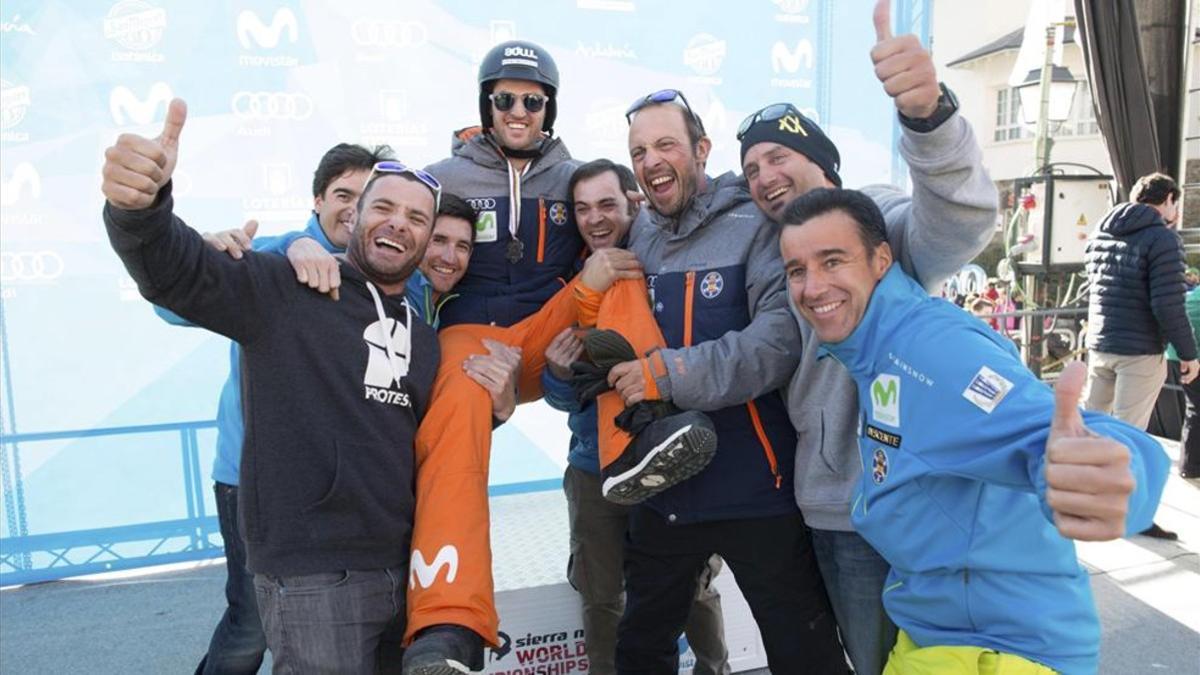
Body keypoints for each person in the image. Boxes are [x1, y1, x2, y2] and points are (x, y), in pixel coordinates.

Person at [102, 99, 440, 673]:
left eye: (416, 217)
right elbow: (177, 273)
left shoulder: (421, 329)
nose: (396, 223)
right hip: (310, 566)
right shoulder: (283, 282)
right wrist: (141, 211)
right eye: (379, 206)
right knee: (245, 633)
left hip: (398, 563)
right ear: (349, 217)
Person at [779, 187, 1169, 675]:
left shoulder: (930, 351)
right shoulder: (876, 347)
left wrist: (1112, 475)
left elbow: (1045, 433)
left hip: (997, 650)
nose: (812, 287)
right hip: (947, 636)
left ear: (881, 260)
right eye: (797, 270)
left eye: (832, 261)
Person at [735, 2, 998, 671]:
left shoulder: (875, 213)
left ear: (820, 158)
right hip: (829, 508)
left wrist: (929, 118)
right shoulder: (771, 251)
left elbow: (959, 220)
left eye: (777, 156)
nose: (764, 176)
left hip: (910, 502)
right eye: (751, 169)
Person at [575, 90, 844, 674]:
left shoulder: (756, 225)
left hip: (757, 490)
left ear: (701, 149)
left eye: (666, 144)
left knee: (807, 655)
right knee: (640, 654)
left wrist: (663, 375)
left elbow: (776, 344)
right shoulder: (637, 236)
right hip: (665, 494)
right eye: (639, 151)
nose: (650, 161)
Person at [151, 142, 390, 675]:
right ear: (317, 199)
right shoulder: (275, 254)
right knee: (251, 624)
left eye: (366, 196)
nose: (354, 208)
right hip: (251, 479)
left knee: (333, 614)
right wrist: (220, 250)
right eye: (342, 193)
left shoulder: (393, 271)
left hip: (338, 484)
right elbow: (173, 305)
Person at [401, 40, 595, 672]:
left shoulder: (575, 178)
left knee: (617, 270)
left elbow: (636, 224)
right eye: (504, 98)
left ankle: (648, 442)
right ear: (485, 104)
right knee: (457, 402)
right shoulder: (443, 176)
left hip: (549, 329)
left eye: (532, 101)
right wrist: (298, 243)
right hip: (476, 341)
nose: (519, 110)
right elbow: (371, 229)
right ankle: (449, 625)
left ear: (550, 109)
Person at [541, 159, 729, 675]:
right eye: (581, 209)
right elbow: (563, 400)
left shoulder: (668, 270)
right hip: (592, 468)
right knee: (602, 597)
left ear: (634, 202)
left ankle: (715, 668)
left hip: (666, 460)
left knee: (691, 588)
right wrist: (557, 374)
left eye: (606, 204)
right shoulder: (573, 284)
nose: (594, 219)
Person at [1083, 171, 1196, 540]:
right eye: (1175, 203)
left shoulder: (1103, 229)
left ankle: (1080, 502)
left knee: (1089, 429)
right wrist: (1189, 354)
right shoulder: (1161, 239)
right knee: (1130, 439)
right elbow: (1168, 303)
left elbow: (1094, 285)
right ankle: (1132, 517)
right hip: (1140, 350)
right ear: (1167, 200)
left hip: (1101, 345)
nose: (1176, 212)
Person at [1171, 284, 1200, 479]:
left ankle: (1188, 466)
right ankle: (1190, 466)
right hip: (1192, 357)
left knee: (1194, 408)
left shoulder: (1192, 295)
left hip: (1176, 355)